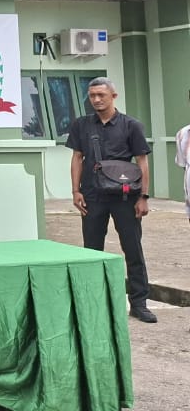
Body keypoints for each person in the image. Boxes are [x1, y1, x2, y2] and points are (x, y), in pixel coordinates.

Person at [67, 77, 156, 323]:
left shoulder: (131, 125)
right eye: (92, 95)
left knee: (133, 249)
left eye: (101, 95)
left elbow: (142, 162)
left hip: (125, 196)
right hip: (92, 196)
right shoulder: (81, 125)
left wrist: (143, 196)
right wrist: (75, 191)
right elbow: (77, 158)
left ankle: (139, 304)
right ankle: (93, 304)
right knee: (92, 251)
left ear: (113, 96)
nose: (96, 100)